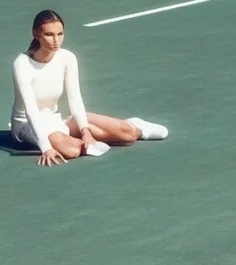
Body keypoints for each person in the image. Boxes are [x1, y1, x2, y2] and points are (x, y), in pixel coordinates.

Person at [10, 9, 168, 166]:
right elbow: (30, 110)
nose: (56, 40)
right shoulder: (22, 64)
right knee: (72, 150)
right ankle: (98, 134)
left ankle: (134, 127)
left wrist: (85, 130)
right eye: (49, 35)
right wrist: (46, 148)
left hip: (57, 119)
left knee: (129, 135)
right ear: (36, 34)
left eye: (60, 34)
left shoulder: (67, 58)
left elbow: (75, 98)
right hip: (26, 125)